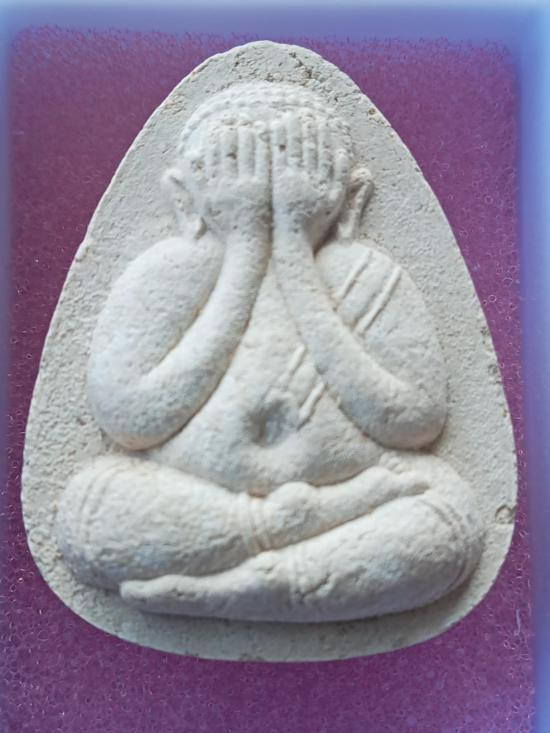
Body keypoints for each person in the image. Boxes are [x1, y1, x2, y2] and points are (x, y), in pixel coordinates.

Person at [56, 83, 484, 622]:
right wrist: (245, 252)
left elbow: (415, 422)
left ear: (350, 200)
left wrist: (294, 257)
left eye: (291, 181)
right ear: (184, 198)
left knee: (448, 516)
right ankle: (283, 539)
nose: (268, 200)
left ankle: (258, 586)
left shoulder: (368, 274)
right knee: (88, 509)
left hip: (357, 485)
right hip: (208, 504)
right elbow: (130, 421)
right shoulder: (166, 273)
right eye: (242, 180)